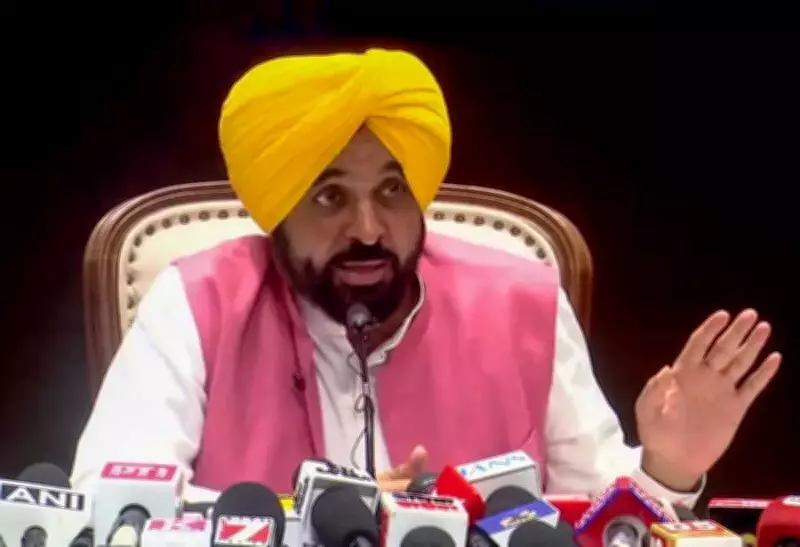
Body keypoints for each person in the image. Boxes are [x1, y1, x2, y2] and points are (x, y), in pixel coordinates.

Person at [70, 49, 782, 505]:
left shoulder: (521, 303)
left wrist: (669, 466)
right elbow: (113, 501)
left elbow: (601, 513)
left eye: (392, 190)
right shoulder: (197, 302)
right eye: (329, 197)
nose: (368, 229)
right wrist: (318, 517)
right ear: (276, 209)